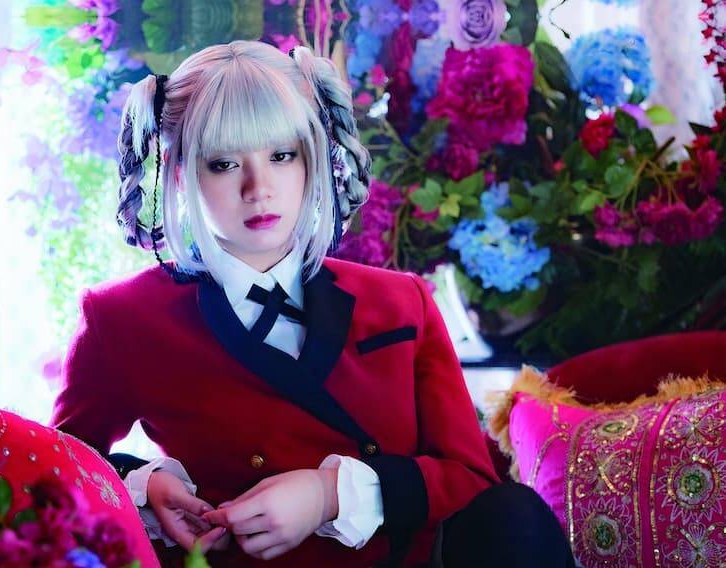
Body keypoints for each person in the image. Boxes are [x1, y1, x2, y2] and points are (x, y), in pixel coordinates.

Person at [50, 40, 574, 567]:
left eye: (281, 156)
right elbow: (57, 465)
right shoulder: (123, 319)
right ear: (181, 172)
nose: (259, 188)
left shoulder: (402, 301)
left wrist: (330, 495)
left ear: (311, 158)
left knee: (516, 517)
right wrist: (144, 486)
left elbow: (471, 480)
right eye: (224, 163)